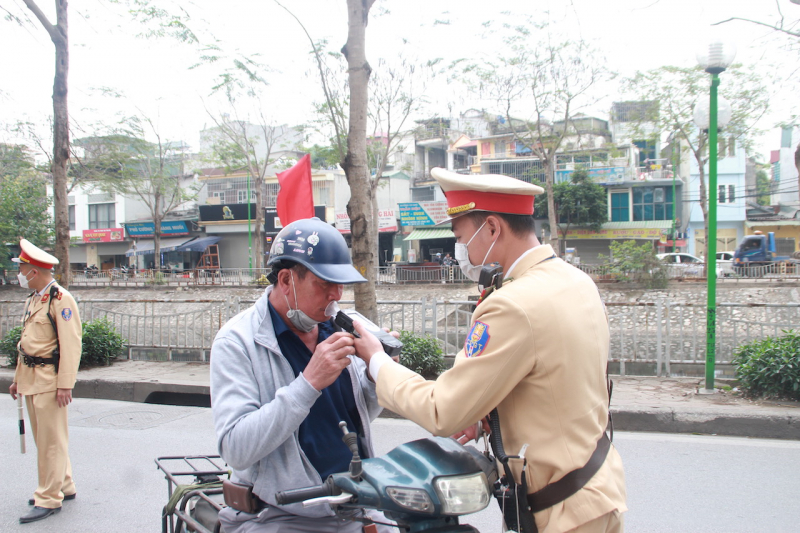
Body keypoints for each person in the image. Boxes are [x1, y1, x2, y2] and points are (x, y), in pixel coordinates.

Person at [352, 168, 627, 533]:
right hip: (596, 491)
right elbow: (557, 377)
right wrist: (489, 409)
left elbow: (442, 410)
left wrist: (377, 362)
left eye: (462, 237)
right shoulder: (575, 280)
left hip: (562, 515)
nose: (461, 250)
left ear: (493, 228)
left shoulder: (513, 305)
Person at [210, 218, 394, 533]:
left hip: (357, 504)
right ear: (286, 280)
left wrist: (379, 372)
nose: (336, 294)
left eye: (341, 283)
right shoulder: (236, 342)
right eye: (324, 283)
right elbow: (235, 448)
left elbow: (359, 413)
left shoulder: (343, 324)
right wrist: (308, 383)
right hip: (279, 515)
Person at [8, 239, 82, 524]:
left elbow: (71, 344)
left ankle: (48, 497)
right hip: (32, 378)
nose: (19, 273)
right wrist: (17, 379)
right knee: (46, 440)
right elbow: (26, 344)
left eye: (22, 268)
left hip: (50, 381)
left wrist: (66, 384)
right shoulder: (35, 298)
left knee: (51, 442)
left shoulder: (60, 299)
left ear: (34, 271)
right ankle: (64, 484)